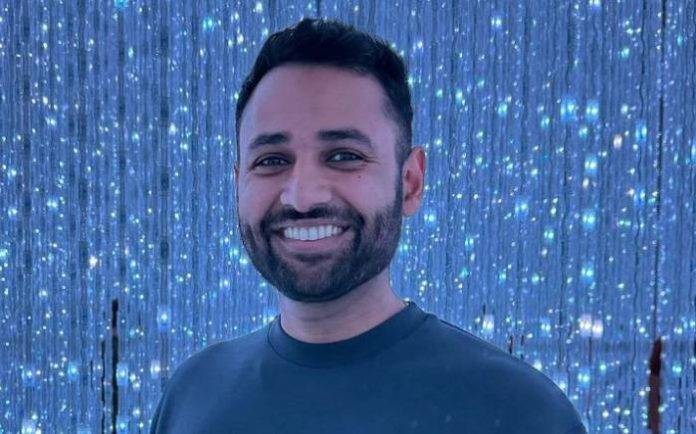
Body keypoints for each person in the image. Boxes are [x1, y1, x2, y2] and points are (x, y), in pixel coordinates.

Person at [150, 17, 587, 434]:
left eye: (344, 156)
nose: (302, 196)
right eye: (271, 161)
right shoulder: (193, 395)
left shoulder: (519, 412)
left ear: (410, 183)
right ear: (238, 183)